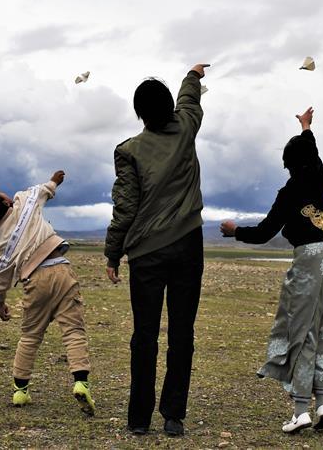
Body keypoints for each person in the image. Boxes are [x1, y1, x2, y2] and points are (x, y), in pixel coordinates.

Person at [220, 107, 323, 434]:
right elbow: (312, 149)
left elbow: (265, 232)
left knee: (301, 332)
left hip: (310, 261)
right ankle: (322, 402)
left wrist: (234, 231)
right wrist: (307, 127)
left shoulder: (289, 191)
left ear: (289, 165)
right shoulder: (321, 176)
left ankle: (301, 411)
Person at [104, 64, 209, 437]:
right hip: (187, 247)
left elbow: (126, 208)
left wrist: (113, 253)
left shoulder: (129, 151)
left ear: (139, 114)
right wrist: (193, 75)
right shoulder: (186, 129)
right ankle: (173, 416)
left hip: (146, 254)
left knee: (144, 334)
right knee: (183, 331)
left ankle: (138, 419)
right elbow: (190, 100)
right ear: (168, 107)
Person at [0, 170, 95, 415]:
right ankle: (80, 382)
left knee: (30, 336)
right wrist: (55, 181)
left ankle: (20, 390)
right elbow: (42, 191)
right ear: (5, 201)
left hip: (33, 281)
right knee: (73, 330)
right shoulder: (23, 202)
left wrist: (1, 304)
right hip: (61, 270)